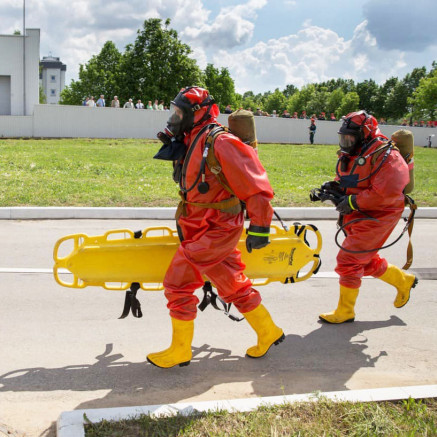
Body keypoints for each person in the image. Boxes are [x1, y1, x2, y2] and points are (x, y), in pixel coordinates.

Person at [148, 86, 284, 368]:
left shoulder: (221, 142)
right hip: (200, 224)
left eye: (179, 112)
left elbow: (257, 187)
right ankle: (268, 331)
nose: (175, 117)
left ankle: (180, 350)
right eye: (174, 111)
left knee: (178, 284)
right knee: (232, 284)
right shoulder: (193, 136)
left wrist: (260, 227)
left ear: (197, 113)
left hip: (217, 228)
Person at [318, 111, 418, 324]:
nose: (345, 143)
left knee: (349, 259)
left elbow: (387, 192)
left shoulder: (386, 155)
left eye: (349, 138)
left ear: (364, 134)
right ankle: (403, 281)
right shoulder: (356, 151)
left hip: (380, 214)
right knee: (364, 259)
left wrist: (353, 202)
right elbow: (351, 177)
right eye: (343, 138)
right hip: (360, 211)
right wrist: (334, 189)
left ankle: (345, 311)